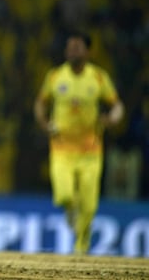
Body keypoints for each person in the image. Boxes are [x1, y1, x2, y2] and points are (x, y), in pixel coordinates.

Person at [34, 31, 124, 255]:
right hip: (62, 148)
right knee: (64, 195)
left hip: (90, 150)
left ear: (88, 51)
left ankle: (81, 248)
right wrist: (45, 124)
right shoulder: (55, 76)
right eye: (69, 47)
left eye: (77, 47)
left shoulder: (98, 78)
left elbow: (116, 105)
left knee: (89, 205)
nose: (72, 51)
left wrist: (112, 118)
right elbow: (40, 104)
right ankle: (70, 209)